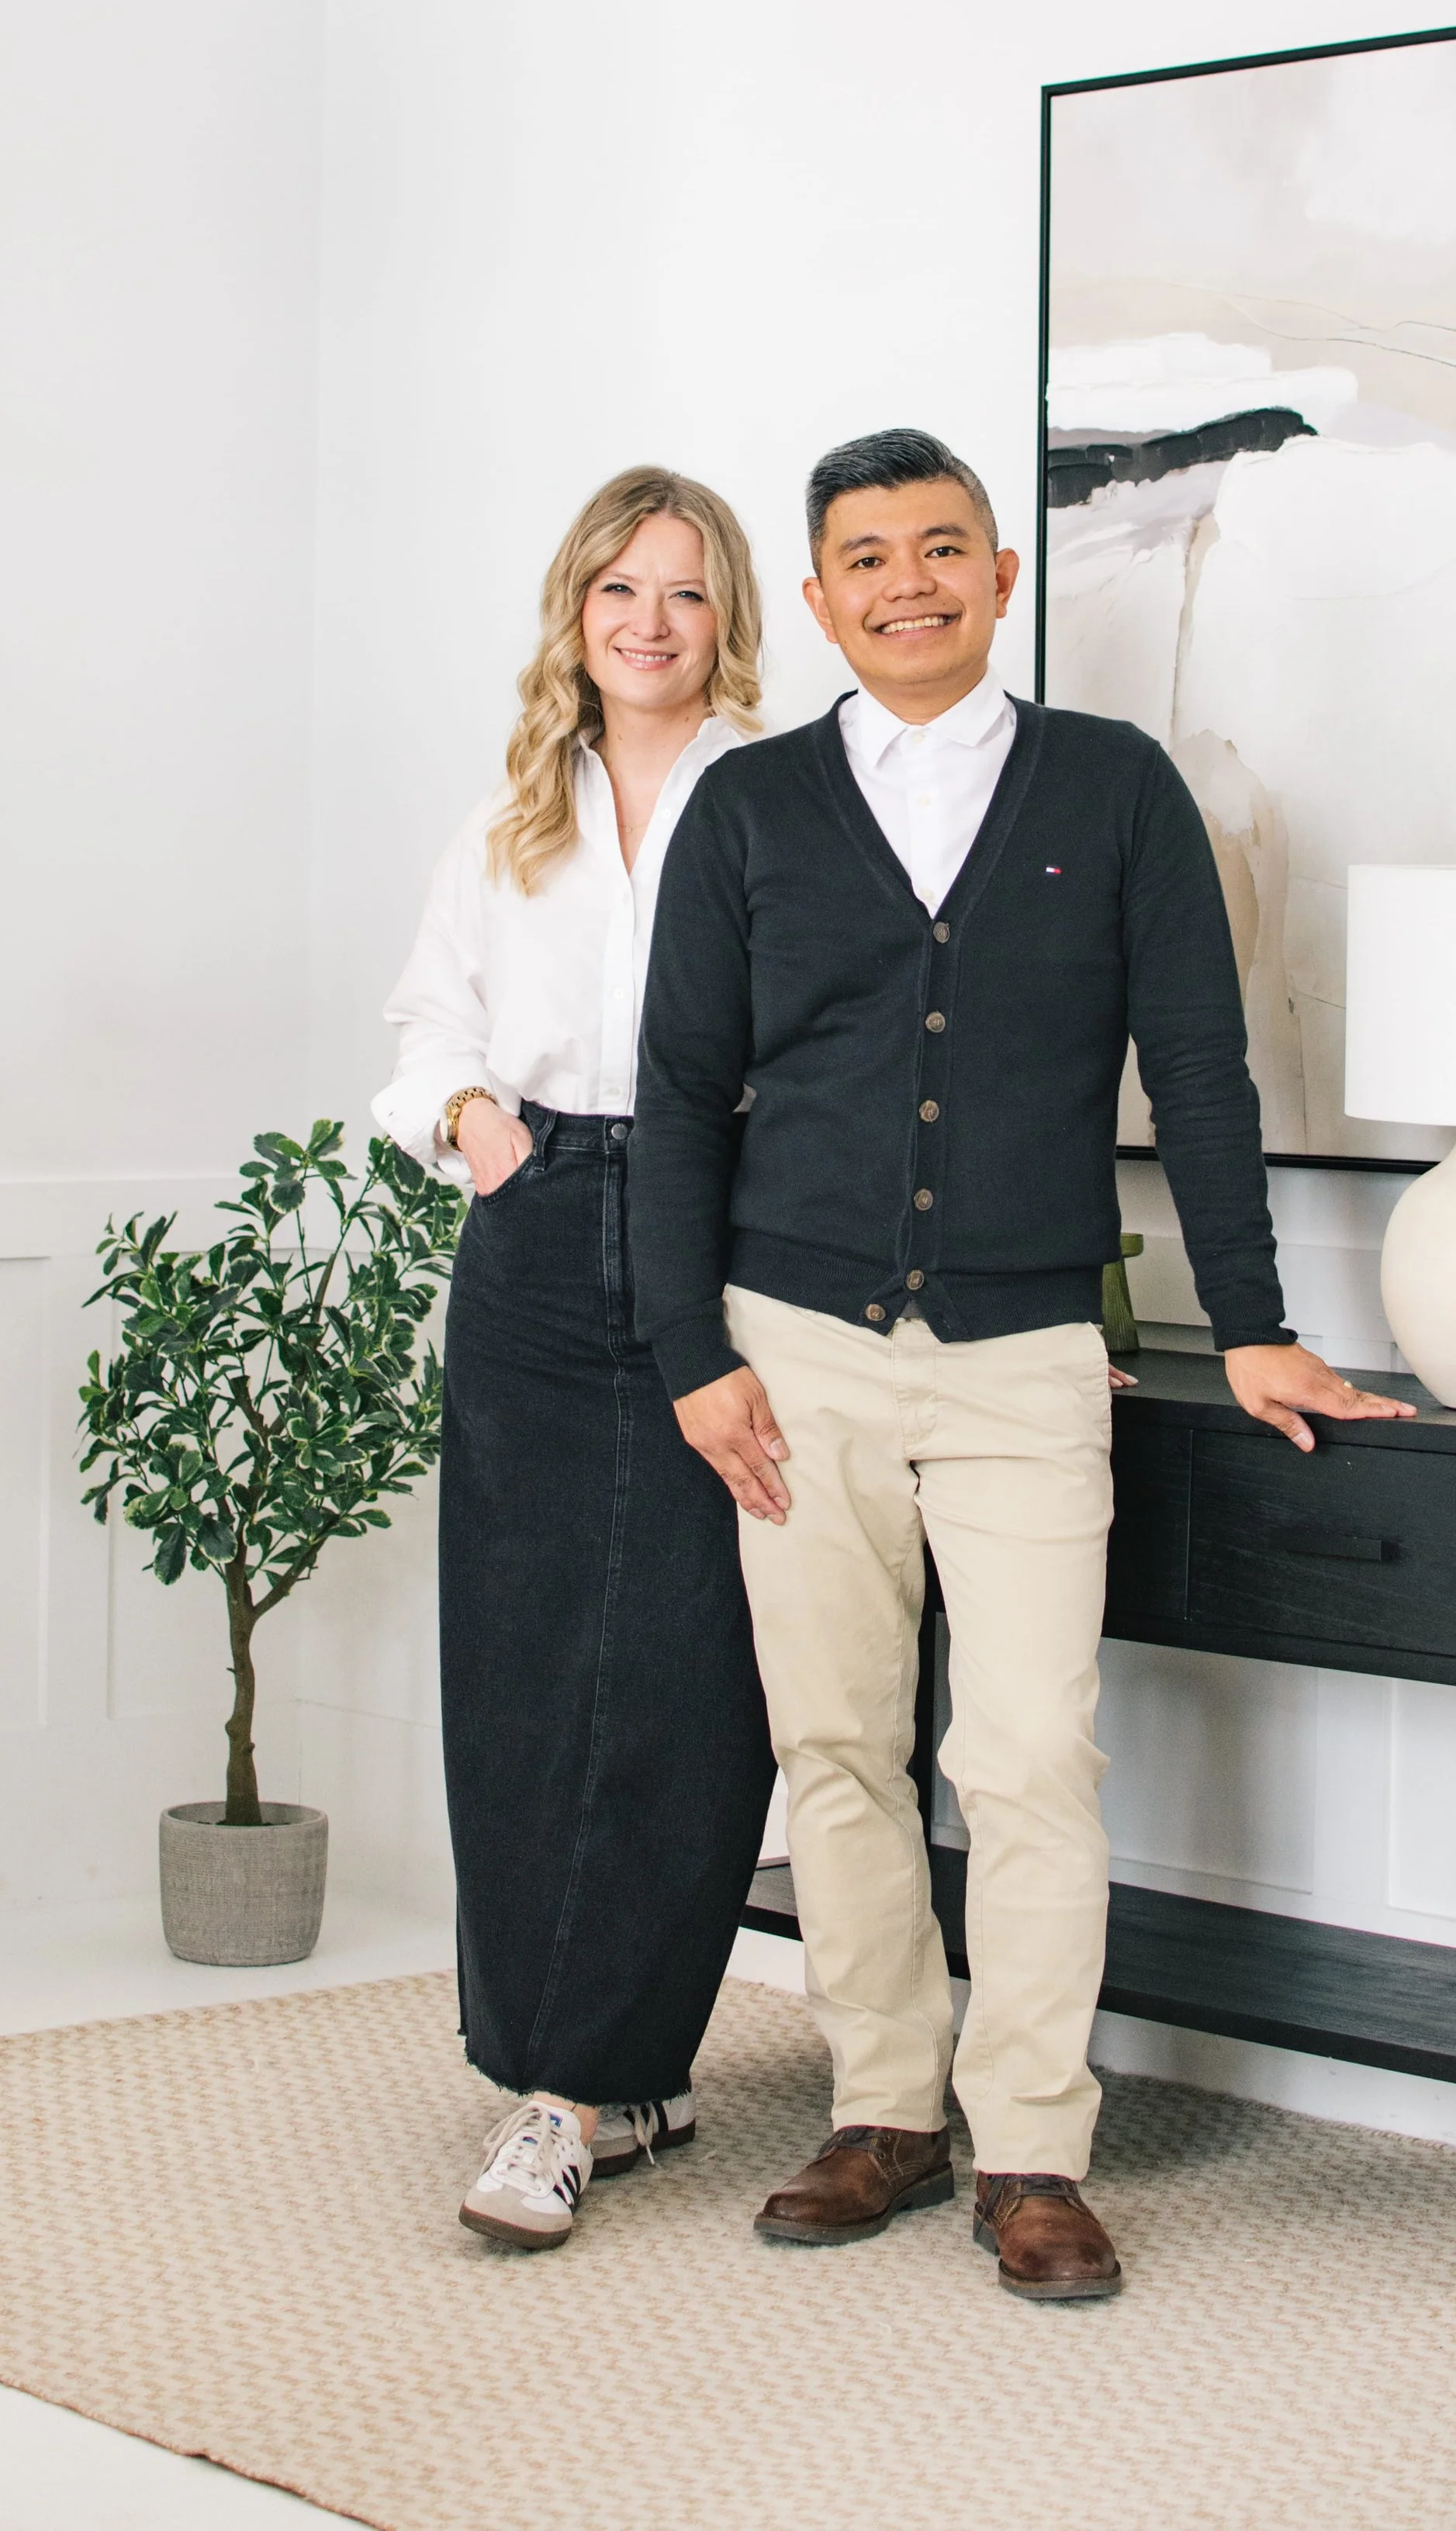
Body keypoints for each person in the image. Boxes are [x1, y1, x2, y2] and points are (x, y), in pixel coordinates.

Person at [631, 425, 1414, 2301]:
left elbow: (1201, 1074)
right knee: (831, 1748)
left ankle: (1036, 2147)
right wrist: (691, 1357)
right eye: (867, 557)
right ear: (814, 601)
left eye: (941, 546)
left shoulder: (1111, 788)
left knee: (1031, 1756)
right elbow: (677, 1099)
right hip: (792, 1348)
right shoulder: (746, 812)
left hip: (1029, 1354)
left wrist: (1253, 1327)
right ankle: (884, 2104)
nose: (907, 580)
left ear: (996, 575)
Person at [373, 464, 777, 2250]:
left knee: (696, 1659)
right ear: (575, 609)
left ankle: (607, 2068)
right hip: (535, 1233)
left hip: (725, 1236)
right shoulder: (505, 819)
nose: (648, 620)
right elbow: (421, 1024)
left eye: (683, 592)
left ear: (725, 618)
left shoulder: (776, 800)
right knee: (529, 1646)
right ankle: (560, 2081)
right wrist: (474, 1125)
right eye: (619, 587)